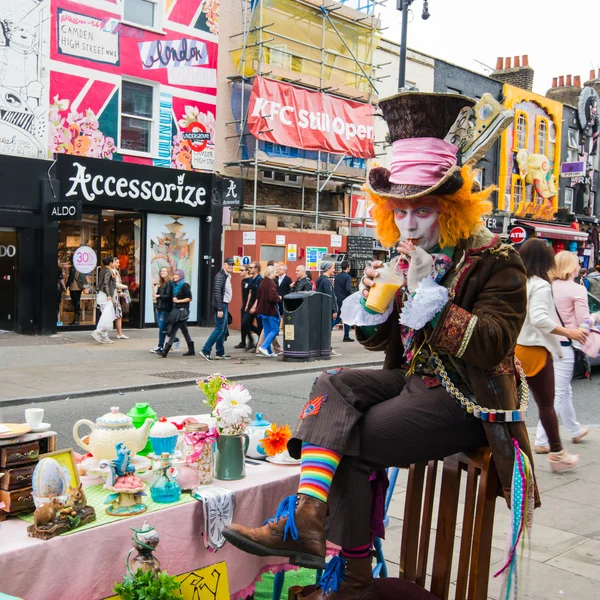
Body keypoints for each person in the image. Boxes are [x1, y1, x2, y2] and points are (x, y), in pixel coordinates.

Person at [223, 91, 538, 600]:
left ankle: (346, 577)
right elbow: (380, 344)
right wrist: (377, 305)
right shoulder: (408, 257)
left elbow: (493, 344)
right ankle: (307, 520)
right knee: (332, 383)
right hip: (414, 384)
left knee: (346, 439)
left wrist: (430, 299)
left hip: (467, 400)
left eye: (424, 211)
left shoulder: (497, 261)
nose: (409, 225)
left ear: (452, 209)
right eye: (401, 212)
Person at [515, 239, 584, 472]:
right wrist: (569, 332)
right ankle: (557, 452)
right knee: (546, 404)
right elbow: (540, 319)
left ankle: (513, 451)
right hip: (535, 349)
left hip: (516, 348)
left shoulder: (518, 281)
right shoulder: (541, 285)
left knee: (512, 404)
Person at [535, 250, 591, 450]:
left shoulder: (546, 287)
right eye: (576, 263)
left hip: (545, 345)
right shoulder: (577, 289)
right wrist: (596, 318)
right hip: (565, 346)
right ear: (571, 267)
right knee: (558, 393)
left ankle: (574, 430)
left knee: (563, 390)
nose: (578, 266)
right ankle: (541, 439)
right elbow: (583, 322)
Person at [200, 258, 234, 361]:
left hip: (224, 305)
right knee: (219, 329)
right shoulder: (220, 276)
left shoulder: (226, 276)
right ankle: (206, 350)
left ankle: (220, 352)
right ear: (224, 265)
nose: (231, 266)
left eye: (232, 265)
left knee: (223, 330)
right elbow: (217, 293)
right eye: (229, 264)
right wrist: (220, 308)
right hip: (221, 305)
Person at [160, 270, 195, 357]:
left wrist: (178, 301)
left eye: (177, 275)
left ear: (181, 276)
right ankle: (191, 350)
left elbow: (189, 298)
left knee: (174, 329)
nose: (175, 276)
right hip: (176, 310)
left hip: (182, 311)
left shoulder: (184, 286)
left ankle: (165, 350)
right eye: (174, 274)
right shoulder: (173, 285)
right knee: (184, 330)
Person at [256, 265, 282, 358]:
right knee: (275, 329)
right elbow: (271, 298)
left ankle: (269, 351)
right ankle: (263, 346)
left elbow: (258, 296)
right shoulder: (271, 283)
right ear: (272, 273)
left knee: (267, 330)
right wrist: (278, 298)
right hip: (270, 310)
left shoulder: (262, 282)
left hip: (262, 310)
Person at [316, 261, 340, 356]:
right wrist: (334, 310)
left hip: (322, 309)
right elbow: (329, 296)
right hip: (327, 310)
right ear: (328, 268)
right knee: (327, 330)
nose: (334, 270)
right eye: (333, 267)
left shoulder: (320, 280)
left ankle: (324, 347)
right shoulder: (326, 281)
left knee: (324, 329)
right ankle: (327, 348)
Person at [92, 256, 117, 344]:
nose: (115, 263)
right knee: (107, 314)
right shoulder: (107, 271)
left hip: (103, 294)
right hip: (105, 295)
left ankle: (104, 336)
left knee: (106, 313)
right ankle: (98, 331)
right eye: (114, 261)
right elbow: (105, 283)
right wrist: (108, 294)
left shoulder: (103, 270)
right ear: (110, 263)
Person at [151, 266, 176, 354]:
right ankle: (161, 345)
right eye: (161, 271)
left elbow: (168, 296)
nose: (162, 272)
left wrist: (159, 296)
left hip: (166, 308)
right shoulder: (162, 283)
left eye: (164, 271)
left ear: (168, 272)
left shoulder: (169, 283)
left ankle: (172, 338)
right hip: (160, 307)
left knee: (162, 326)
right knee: (161, 327)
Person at [242, 262, 263, 352]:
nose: (249, 269)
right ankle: (252, 340)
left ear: (257, 269)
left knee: (260, 325)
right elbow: (250, 292)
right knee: (245, 323)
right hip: (250, 305)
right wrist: (247, 305)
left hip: (257, 306)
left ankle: (259, 344)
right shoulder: (251, 279)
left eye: (251, 267)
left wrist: (254, 306)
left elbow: (259, 294)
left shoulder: (260, 279)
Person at [333, 260, 354, 342]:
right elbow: (348, 289)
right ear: (348, 268)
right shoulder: (347, 277)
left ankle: (327, 330)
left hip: (337, 299)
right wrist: (351, 295)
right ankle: (346, 336)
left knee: (338, 318)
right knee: (347, 317)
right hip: (345, 299)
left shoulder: (337, 276)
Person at [234, 265, 252, 349]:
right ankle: (243, 341)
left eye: (242, 270)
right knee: (243, 324)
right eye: (240, 270)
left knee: (246, 323)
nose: (240, 272)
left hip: (249, 305)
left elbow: (250, 294)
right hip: (244, 304)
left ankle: (255, 337)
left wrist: (248, 305)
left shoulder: (251, 280)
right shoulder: (243, 281)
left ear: (247, 271)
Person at [111, 256, 129, 340]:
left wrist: (120, 292)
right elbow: (115, 284)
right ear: (112, 262)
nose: (119, 264)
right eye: (117, 262)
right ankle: (118, 333)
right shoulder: (112, 272)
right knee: (115, 314)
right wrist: (125, 286)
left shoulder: (115, 271)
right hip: (113, 297)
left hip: (115, 296)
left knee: (118, 315)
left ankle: (119, 333)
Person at [66, 256, 86, 325]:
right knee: (77, 303)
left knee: (75, 304)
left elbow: (70, 279)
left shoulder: (74, 269)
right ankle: (76, 320)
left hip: (74, 288)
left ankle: (76, 320)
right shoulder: (80, 268)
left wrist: (66, 286)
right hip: (79, 288)